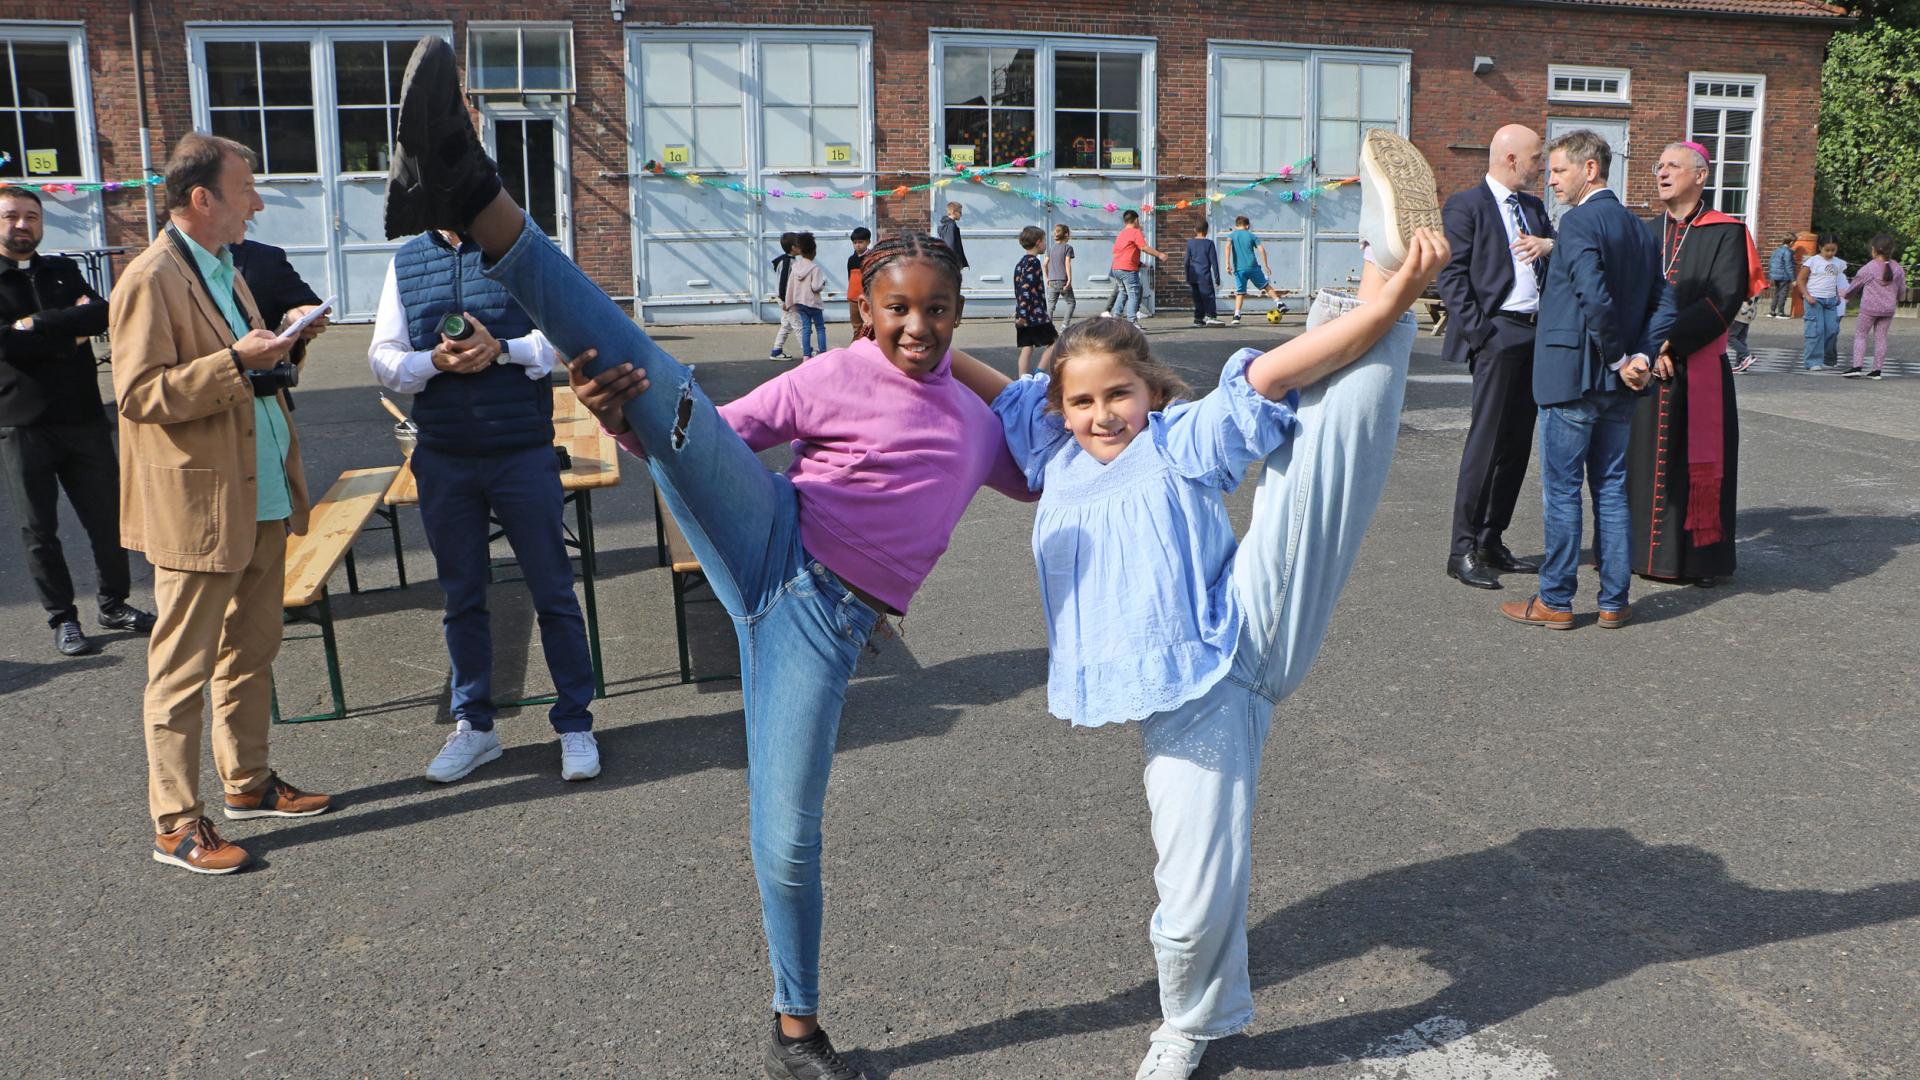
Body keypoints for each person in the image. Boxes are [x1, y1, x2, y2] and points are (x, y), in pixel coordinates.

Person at [381, 35, 1034, 1078]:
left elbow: (1086, 442)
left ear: (961, 314)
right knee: (654, 380)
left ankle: (795, 1025)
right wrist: (630, 421)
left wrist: (1000, 379)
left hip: (824, 624)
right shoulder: (830, 374)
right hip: (770, 533)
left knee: (786, 835)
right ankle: (474, 189)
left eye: (937, 311)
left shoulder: (978, 421)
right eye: (897, 308)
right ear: (863, 307)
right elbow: (706, 430)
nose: (916, 328)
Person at [946, 129, 1447, 1080]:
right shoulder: (1052, 453)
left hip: (1237, 633)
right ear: (1060, 409)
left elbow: (1279, 369)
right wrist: (915, 345)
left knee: (1322, 453)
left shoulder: (1175, 439)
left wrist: (1393, 301)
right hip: (1183, 700)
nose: (1103, 415)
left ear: (1149, 389)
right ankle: (1202, 1017)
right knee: (1191, 885)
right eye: (1085, 401)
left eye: (1120, 395)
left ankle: (1381, 268)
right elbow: (984, 382)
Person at [112, 133, 332, 875]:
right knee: (179, 672)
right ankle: (175, 824)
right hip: (200, 508)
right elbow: (139, 395)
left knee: (252, 650)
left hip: (259, 491)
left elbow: (247, 372)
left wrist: (289, 344)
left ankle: (248, 782)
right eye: (246, 192)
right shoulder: (150, 277)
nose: (258, 204)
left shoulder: (225, 269)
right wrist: (238, 359)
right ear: (201, 199)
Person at [368, 229, 598, 782]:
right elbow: (384, 359)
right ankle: (475, 727)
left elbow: (567, 339)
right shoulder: (407, 260)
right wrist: (434, 362)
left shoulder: (524, 245)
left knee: (553, 591)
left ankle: (574, 723)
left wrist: (502, 349)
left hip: (521, 450)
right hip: (444, 454)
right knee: (461, 596)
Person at [1500, 129, 1666, 632]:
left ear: (1589, 169)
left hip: (1574, 379)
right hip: (1618, 387)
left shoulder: (1576, 223)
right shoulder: (1640, 229)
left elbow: (1595, 299)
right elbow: (1665, 300)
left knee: (1564, 490)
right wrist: (1641, 355)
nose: (1551, 181)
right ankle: (1615, 601)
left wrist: (1620, 358)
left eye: (1558, 171)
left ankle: (1555, 600)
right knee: (1612, 489)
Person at [0, 184, 155, 656]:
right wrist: (68, 328)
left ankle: (114, 604)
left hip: (83, 418)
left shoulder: (62, 270)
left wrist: (38, 325)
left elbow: (106, 315)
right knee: (38, 529)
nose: (22, 225)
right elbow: (6, 344)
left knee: (109, 519)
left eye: (31, 216)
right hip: (21, 424)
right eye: (10, 216)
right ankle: (63, 618)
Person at [1627, 141, 1762, 590]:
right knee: (1642, 463)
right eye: (1658, 165)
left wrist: (1669, 342)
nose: (1661, 173)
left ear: (1700, 175)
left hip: (1697, 366)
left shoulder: (1728, 232)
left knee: (1694, 465)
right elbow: (1632, 298)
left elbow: (1723, 300)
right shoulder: (1646, 232)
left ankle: (1697, 562)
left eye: (1672, 166)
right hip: (1648, 369)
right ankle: (1638, 553)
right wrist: (1648, 349)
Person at [1436, 124, 1553, 591]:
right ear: (1510, 159)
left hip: (1536, 335)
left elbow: (1558, 260)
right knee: (1485, 444)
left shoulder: (1535, 208)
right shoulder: (1466, 206)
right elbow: (1452, 278)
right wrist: (1483, 336)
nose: (1541, 166)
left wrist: (1553, 246)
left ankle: (1491, 540)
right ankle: (1460, 549)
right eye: (1536, 158)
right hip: (1498, 334)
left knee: (1517, 444)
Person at [231, 237, 328, 342]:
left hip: (266, 356)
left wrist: (295, 320)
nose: (250, 219)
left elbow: (306, 305)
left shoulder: (264, 257)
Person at [1841, 234, 1905, 380]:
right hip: (1888, 310)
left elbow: (1854, 287)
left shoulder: (1869, 268)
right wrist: (1898, 299)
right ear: (1892, 249)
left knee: (1861, 335)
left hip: (1869, 309)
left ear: (1874, 249)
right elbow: (1902, 290)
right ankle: (1877, 370)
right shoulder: (1898, 268)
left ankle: (1857, 367)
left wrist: (1846, 296)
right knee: (1881, 338)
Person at [1223, 216, 1288, 326]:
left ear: (1235, 226)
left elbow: (1227, 247)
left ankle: (1236, 316)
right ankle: (1279, 303)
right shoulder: (1251, 235)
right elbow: (1261, 249)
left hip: (1239, 269)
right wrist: (1266, 265)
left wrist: (1227, 264)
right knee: (1266, 285)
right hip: (1253, 267)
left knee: (1240, 292)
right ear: (1247, 226)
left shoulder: (1231, 235)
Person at [1796, 234, 1847, 371]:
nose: (1830, 253)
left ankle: (1825, 356)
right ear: (1820, 248)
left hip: (1831, 301)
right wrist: (1806, 295)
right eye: (1827, 250)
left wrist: (1837, 296)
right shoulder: (1812, 262)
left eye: (1833, 250)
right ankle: (1812, 361)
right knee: (1815, 330)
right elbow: (1800, 280)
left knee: (1832, 330)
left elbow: (1836, 281)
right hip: (1814, 300)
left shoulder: (1839, 263)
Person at [1013, 225, 1058, 375]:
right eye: (1044, 241)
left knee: (1027, 347)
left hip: (1023, 313)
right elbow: (1026, 289)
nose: (1046, 244)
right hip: (1034, 315)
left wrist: (1020, 313)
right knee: (1054, 342)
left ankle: (1023, 382)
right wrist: (1024, 315)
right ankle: (1039, 373)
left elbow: (1018, 290)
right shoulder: (1034, 262)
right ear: (1038, 242)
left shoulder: (1020, 263)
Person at [1110, 208, 1166, 324]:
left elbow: (1119, 251)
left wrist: (1138, 263)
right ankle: (1132, 322)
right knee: (1134, 294)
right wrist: (1159, 254)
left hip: (1116, 268)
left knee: (1123, 292)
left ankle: (1116, 319)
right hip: (1128, 269)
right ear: (1136, 220)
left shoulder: (1121, 234)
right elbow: (1144, 247)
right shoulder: (1136, 232)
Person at [785, 231, 827, 361]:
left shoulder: (795, 267)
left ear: (801, 251)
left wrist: (788, 303)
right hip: (813, 303)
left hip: (800, 304)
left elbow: (790, 286)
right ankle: (822, 353)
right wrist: (823, 283)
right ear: (813, 251)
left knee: (806, 328)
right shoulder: (815, 268)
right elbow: (816, 287)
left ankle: (806, 355)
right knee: (820, 327)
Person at [1185, 221, 1224, 326]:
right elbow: (1214, 262)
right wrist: (1217, 278)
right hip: (1204, 276)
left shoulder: (1190, 243)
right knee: (1209, 296)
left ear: (1195, 230)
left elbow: (1186, 261)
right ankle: (1211, 316)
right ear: (1207, 230)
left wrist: (1187, 276)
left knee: (1197, 298)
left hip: (1193, 275)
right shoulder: (1209, 243)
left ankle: (1198, 319)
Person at [769, 231, 800, 361]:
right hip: (787, 299)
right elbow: (783, 283)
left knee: (786, 325)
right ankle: (808, 351)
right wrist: (785, 300)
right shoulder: (787, 262)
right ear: (793, 247)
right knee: (799, 326)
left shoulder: (788, 260)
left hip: (785, 299)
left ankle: (776, 350)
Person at [1046, 223, 1076, 327]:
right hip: (1063, 280)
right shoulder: (1068, 248)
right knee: (1071, 303)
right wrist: (1069, 280)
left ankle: (1048, 329)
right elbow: (1067, 263)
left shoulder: (1051, 248)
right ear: (1066, 234)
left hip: (1052, 281)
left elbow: (1045, 263)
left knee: (1050, 305)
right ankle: (1064, 326)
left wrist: (1048, 278)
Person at [845, 226, 871, 342]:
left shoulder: (871, 258)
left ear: (868, 242)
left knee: (869, 324)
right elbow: (849, 278)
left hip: (868, 298)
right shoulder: (851, 260)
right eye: (855, 242)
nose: (858, 245)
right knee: (857, 326)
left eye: (861, 242)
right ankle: (855, 348)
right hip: (854, 298)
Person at [1767, 234, 1797, 318]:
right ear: (1791, 242)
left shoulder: (1776, 250)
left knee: (1776, 293)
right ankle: (1780, 312)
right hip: (1784, 276)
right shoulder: (1787, 252)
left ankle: (1772, 311)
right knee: (1783, 293)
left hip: (1775, 275)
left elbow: (1770, 262)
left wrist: (1771, 274)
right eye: (1794, 242)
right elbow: (1788, 266)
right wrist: (1793, 279)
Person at [1727, 295, 1758, 374]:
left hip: (1740, 312)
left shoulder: (1741, 282)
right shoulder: (1754, 283)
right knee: (1741, 339)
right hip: (1749, 312)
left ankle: (1746, 355)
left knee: (1730, 337)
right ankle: (1741, 365)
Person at [935, 201, 968, 269]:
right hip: (951, 263)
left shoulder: (947, 225)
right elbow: (950, 244)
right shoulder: (951, 226)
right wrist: (954, 262)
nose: (961, 214)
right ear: (953, 211)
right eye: (960, 212)